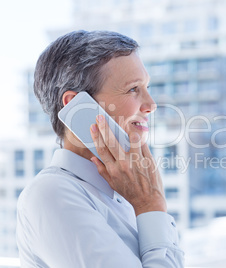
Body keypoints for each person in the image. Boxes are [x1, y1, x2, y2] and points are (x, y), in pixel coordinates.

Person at [16, 30, 184, 267]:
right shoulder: (52, 194)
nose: (151, 105)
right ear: (76, 105)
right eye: (133, 89)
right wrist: (151, 206)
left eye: (146, 87)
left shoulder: (125, 196)